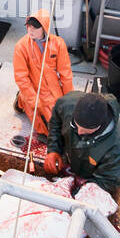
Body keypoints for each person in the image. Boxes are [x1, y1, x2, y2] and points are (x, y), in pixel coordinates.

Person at [43, 90, 120, 198]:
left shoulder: (118, 146)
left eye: (85, 131)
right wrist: (53, 149)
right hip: (73, 158)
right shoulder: (68, 103)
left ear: (99, 127)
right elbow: (56, 122)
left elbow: (109, 181)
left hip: (92, 176)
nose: (79, 132)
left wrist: (76, 191)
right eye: (75, 125)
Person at [12, 10, 74, 146]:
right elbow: (21, 77)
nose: (31, 30)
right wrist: (34, 100)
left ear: (44, 28)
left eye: (35, 27)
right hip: (32, 90)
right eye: (29, 26)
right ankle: (22, 100)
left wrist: (69, 99)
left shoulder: (58, 43)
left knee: (65, 118)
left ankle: (22, 100)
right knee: (47, 122)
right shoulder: (21, 47)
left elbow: (66, 74)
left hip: (53, 89)